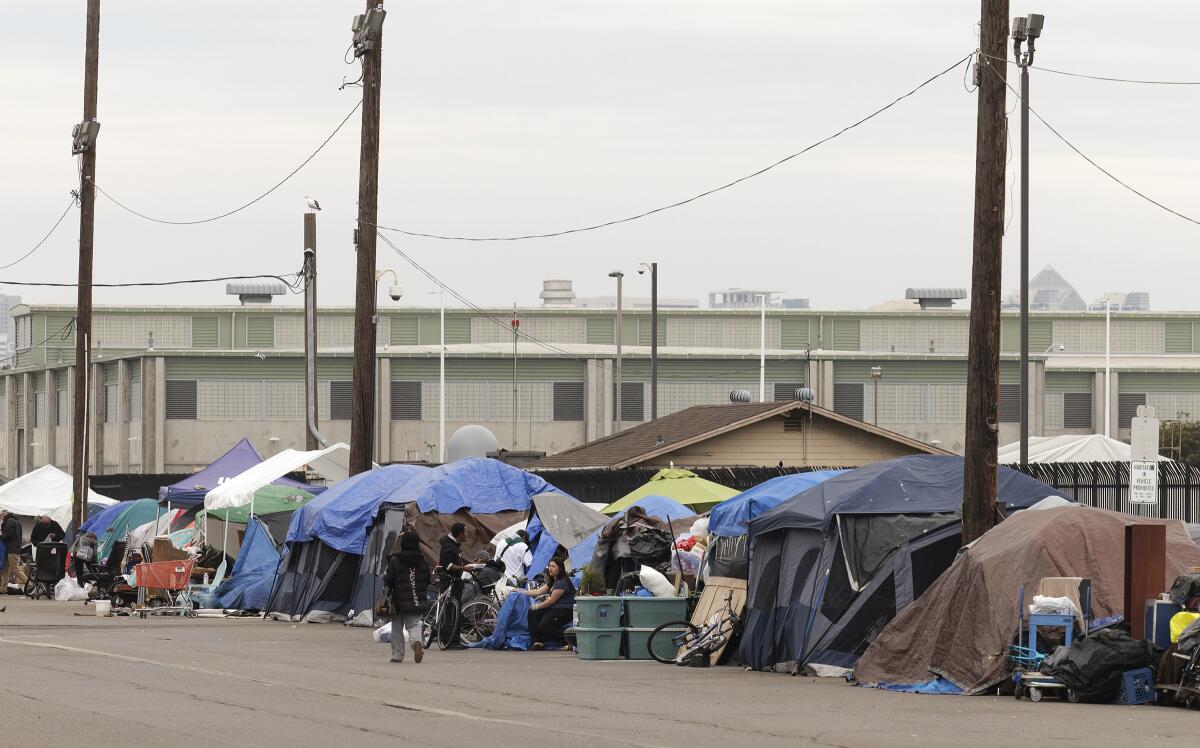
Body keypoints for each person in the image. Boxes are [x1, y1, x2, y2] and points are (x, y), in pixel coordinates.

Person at [382, 530, 431, 664]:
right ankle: (416, 642)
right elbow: (428, 579)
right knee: (413, 624)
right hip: (417, 597)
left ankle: (398, 655)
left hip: (398, 599)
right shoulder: (423, 560)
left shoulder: (395, 559)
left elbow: (389, 579)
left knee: (397, 626)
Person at [524, 557, 575, 650]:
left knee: (543, 626)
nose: (550, 568)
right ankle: (538, 641)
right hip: (554, 608)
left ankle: (568, 641)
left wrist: (537, 606)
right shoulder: (552, 581)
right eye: (549, 566)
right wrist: (521, 592)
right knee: (532, 612)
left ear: (560, 569)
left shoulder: (562, 582)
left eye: (553, 566)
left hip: (564, 610)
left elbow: (551, 600)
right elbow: (539, 591)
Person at [1, 510, 26, 594]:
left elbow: (9, 534)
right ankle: (3, 589)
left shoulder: (9, 521)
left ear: (4, 514)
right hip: (11, 549)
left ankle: (30, 585)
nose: (0, 517)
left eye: (1, 515)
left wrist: (1, 536)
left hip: (12, 549)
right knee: (5, 569)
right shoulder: (15, 521)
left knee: (14, 568)